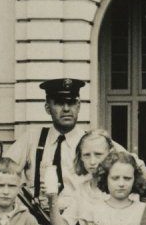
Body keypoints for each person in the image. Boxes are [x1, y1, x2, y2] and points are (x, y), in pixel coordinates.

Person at [14, 77, 90, 209]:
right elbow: (4, 171)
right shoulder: (32, 138)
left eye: (71, 103)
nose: (66, 109)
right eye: (59, 103)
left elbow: (132, 166)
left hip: (80, 221)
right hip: (41, 221)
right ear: (47, 108)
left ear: (78, 107)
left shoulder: (92, 141)